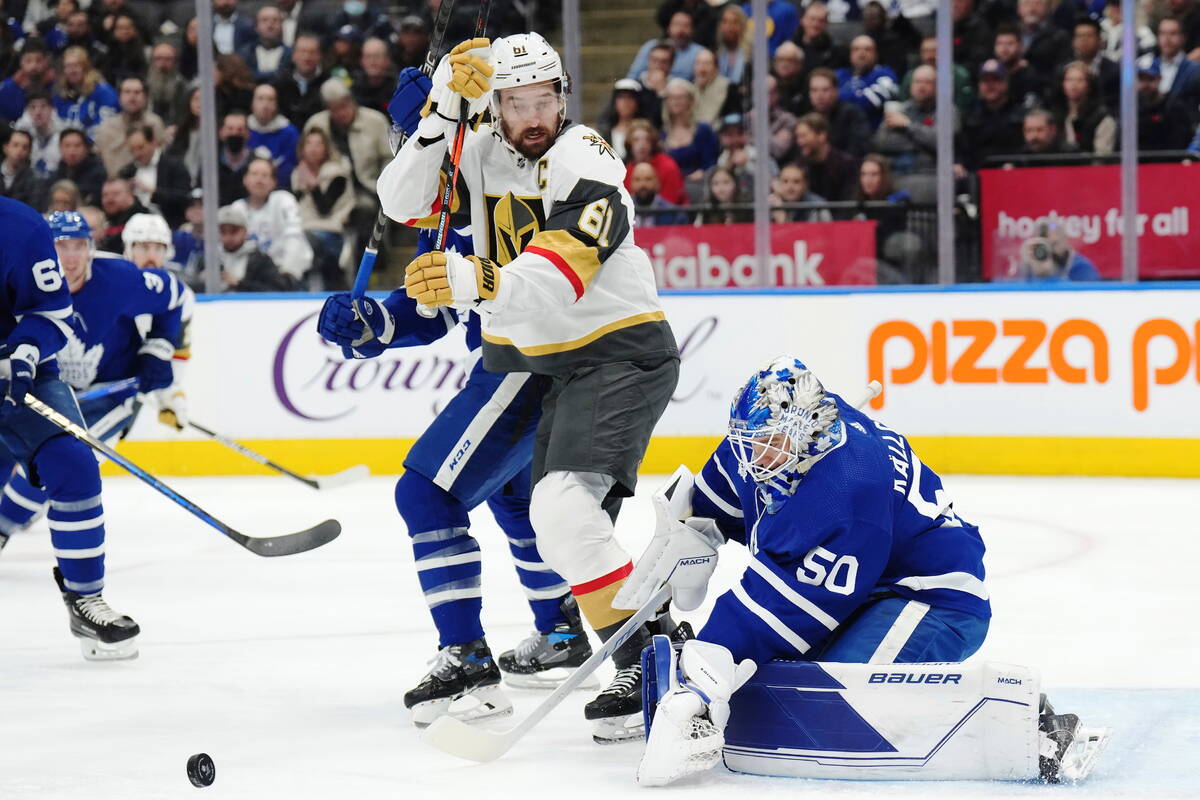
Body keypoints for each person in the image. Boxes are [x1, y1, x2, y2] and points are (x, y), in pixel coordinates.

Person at [376, 33, 680, 742]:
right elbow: (401, 202)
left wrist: (482, 280)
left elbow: (563, 269)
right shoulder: (476, 150)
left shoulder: (587, 156)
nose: (533, 115)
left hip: (616, 354)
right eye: (516, 103)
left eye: (544, 99)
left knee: (564, 512)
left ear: (563, 98)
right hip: (542, 363)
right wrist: (442, 112)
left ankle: (651, 659)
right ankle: (639, 651)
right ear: (496, 107)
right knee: (548, 515)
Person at [621, 357, 1106, 786]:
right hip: (865, 580)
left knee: (836, 694)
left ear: (804, 433)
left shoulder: (847, 493)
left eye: (765, 445)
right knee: (782, 679)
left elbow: (777, 613)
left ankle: (1033, 724)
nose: (753, 456)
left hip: (929, 596)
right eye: (750, 441)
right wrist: (691, 528)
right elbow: (723, 488)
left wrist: (712, 658)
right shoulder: (779, 440)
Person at [316, 75, 600, 725]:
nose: (403, 154)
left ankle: (466, 659)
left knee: (425, 493)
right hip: (540, 359)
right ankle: (560, 632)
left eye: (412, 138)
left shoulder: (514, 177)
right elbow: (432, 306)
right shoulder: (452, 194)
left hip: (535, 355)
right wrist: (374, 326)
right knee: (515, 494)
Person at [0, 199, 139, 661]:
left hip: (22, 375)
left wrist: (23, 350)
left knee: (76, 464)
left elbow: (52, 313)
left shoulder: (20, 225)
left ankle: (85, 597)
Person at [0, 210, 187, 542]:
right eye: (61, 246)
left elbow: (179, 297)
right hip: (50, 389)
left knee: (60, 462)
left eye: (79, 245)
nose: (71, 257)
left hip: (109, 395)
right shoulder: (21, 279)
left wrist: (158, 347)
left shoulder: (119, 280)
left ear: (91, 248)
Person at [231, 156, 312, 284]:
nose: (259, 180)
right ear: (245, 180)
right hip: (247, 277)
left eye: (265, 175)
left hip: (283, 274)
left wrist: (288, 273)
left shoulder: (283, 200)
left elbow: (294, 236)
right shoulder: (236, 209)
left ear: (274, 182)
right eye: (254, 174)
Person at [291, 127, 353, 288]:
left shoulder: (338, 175)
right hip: (303, 231)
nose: (313, 148)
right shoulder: (297, 175)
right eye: (309, 143)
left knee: (305, 245)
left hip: (331, 232)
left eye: (318, 144)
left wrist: (312, 185)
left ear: (326, 148)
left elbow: (324, 210)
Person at [116, 124, 192, 229]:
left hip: (171, 226)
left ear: (153, 143)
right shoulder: (127, 172)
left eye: (140, 147)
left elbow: (184, 197)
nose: (137, 154)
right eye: (132, 150)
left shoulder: (174, 166)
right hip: (135, 228)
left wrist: (152, 192)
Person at [960, 59, 1027, 169]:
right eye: (985, 80)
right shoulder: (970, 115)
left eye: (996, 79)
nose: (990, 85)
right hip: (977, 175)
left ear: (1006, 83)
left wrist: (1015, 163)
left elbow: (1025, 149)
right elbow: (964, 150)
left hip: (1013, 173)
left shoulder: (1020, 114)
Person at [93, 75, 166, 176]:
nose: (132, 97)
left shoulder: (155, 123)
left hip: (147, 183)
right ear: (119, 97)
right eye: (127, 92)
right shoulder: (106, 128)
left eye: (137, 92)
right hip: (114, 185)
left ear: (145, 98)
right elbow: (97, 160)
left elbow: (163, 156)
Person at [213, 204, 295, 291]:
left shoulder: (260, 260)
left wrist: (239, 284)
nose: (228, 237)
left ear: (245, 232)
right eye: (223, 231)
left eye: (234, 230)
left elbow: (277, 291)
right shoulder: (209, 260)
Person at [52, 46, 117, 139]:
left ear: (86, 67)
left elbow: (107, 126)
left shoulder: (103, 92)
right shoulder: (61, 95)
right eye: (68, 66)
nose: (72, 71)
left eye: (76, 66)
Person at [661, 78, 719, 180]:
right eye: (672, 97)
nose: (676, 101)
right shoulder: (662, 133)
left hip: (698, 184)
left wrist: (702, 172)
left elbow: (711, 162)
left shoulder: (703, 130)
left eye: (680, 97)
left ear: (690, 100)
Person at [807, 67, 871, 159]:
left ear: (836, 91)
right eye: (814, 90)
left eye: (825, 90)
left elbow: (859, 149)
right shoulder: (808, 119)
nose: (819, 95)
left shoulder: (852, 114)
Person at [836, 36, 898, 130]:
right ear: (850, 54)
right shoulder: (839, 74)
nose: (861, 53)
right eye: (856, 49)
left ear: (876, 54)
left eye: (867, 49)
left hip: (871, 135)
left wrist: (840, 97)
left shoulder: (885, 75)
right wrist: (859, 94)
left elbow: (867, 103)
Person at [793, 112, 857, 201]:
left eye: (804, 136)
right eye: (798, 137)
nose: (800, 142)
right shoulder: (799, 166)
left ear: (822, 136)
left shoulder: (845, 164)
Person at [624, 118, 688, 207]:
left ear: (652, 143)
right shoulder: (626, 171)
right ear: (629, 144)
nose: (642, 144)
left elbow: (670, 206)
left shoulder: (668, 166)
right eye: (636, 140)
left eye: (647, 139)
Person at [247, 83, 299, 189]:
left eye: (270, 99)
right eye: (260, 99)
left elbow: (290, 166)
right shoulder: (243, 129)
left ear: (276, 104)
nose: (265, 105)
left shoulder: (289, 133)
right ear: (252, 103)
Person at [628, 12, 705, 82]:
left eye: (686, 26)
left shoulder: (700, 53)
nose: (680, 30)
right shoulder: (652, 46)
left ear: (692, 30)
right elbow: (633, 76)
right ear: (668, 28)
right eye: (676, 24)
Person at [13, 89, 64, 177]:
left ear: (52, 110)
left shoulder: (63, 133)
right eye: (33, 107)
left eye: (43, 106)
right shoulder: (21, 132)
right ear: (27, 111)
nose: (38, 112)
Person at [237, 4, 291, 82]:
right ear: (256, 27)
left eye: (275, 20)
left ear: (282, 26)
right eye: (265, 20)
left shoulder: (291, 54)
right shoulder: (244, 53)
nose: (270, 25)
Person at [629, 161, 688, 227]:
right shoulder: (620, 212)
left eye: (648, 179)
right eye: (637, 180)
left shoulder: (674, 215)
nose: (643, 184)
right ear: (631, 184)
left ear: (657, 183)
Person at [97, 175, 148, 252]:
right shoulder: (105, 221)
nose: (109, 199)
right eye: (105, 195)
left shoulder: (145, 220)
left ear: (130, 194)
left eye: (115, 194)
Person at [0, 129, 44, 209]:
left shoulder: (35, 179)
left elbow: (33, 209)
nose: (19, 150)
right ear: (5, 148)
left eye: (25, 147)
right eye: (15, 145)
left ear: (29, 152)